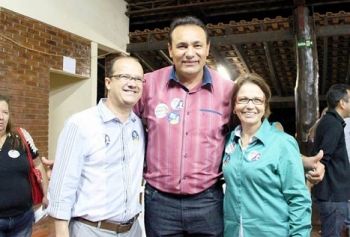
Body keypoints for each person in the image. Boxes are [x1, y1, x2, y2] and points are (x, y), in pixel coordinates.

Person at [134, 16, 234, 236]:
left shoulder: (228, 90)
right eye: (182, 46)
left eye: (197, 45)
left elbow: (251, 134)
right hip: (159, 203)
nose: (190, 53)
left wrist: (299, 161)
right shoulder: (148, 84)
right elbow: (118, 121)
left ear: (207, 48)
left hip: (208, 201)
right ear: (170, 50)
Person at [47, 56, 145, 237]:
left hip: (132, 230)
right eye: (125, 76)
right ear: (108, 82)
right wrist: (61, 232)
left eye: (138, 79)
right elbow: (62, 185)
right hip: (91, 230)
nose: (132, 83)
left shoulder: (139, 126)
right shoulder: (80, 124)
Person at [222, 73, 311, 236]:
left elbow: (298, 198)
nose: (250, 106)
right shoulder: (229, 142)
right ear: (234, 106)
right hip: (233, 232)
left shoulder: (282, 143)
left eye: (257, 100)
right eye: (243, 100)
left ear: (264, 106)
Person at [0, 95, 49, 237]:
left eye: (5, 112)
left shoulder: (21, 137)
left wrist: (46, 194)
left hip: (23, 219)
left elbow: (38, 165)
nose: (1, 117)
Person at [312, 83, 350, 237]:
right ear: (342, 102)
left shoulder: (330, 122)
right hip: (333, 195)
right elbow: (323, 157)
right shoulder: (333, 124)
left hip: (333, 194)